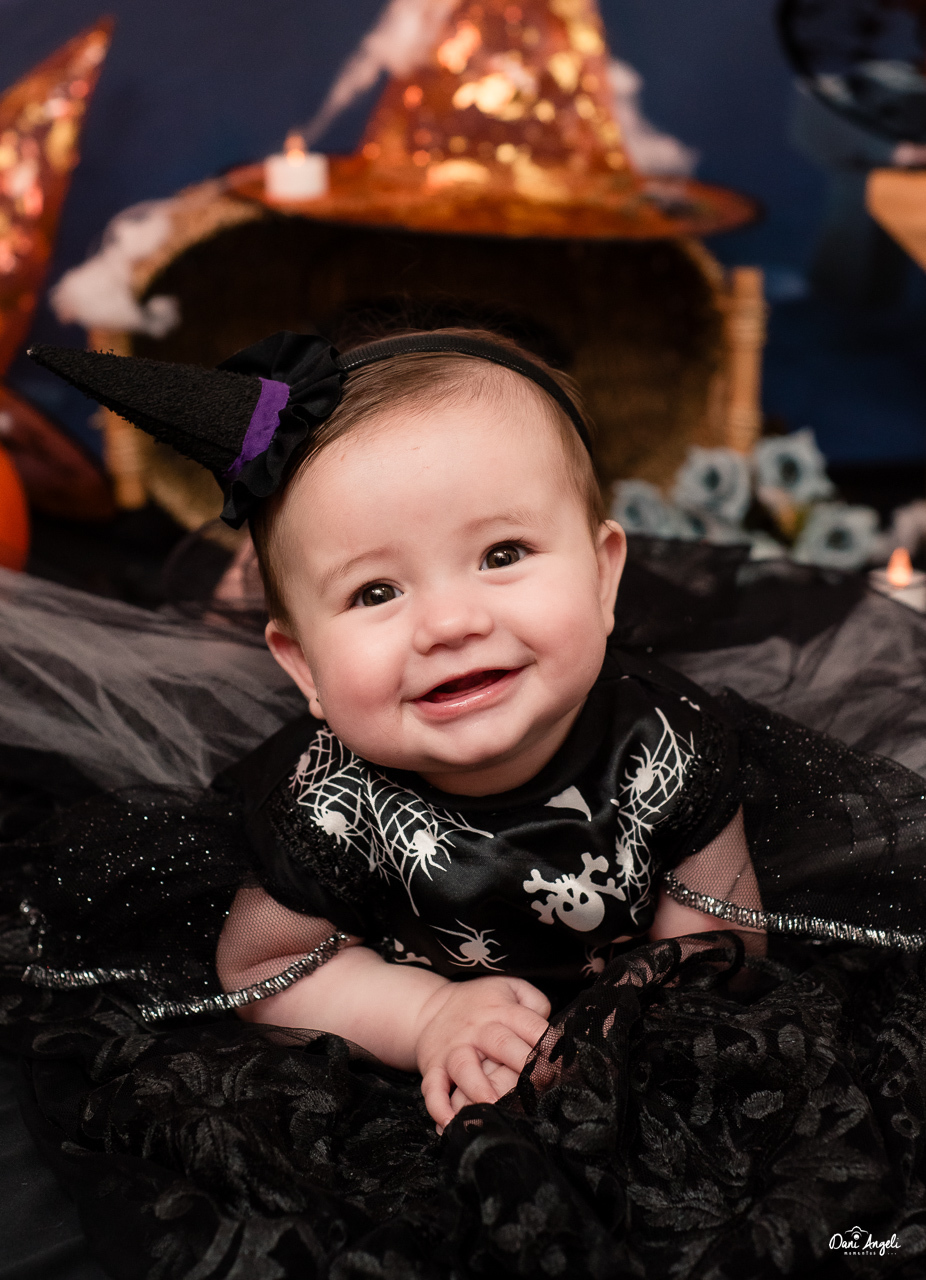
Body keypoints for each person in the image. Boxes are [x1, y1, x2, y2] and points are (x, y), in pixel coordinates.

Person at [4, 327, 926, 1277]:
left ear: (604, 574)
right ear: (303, 666)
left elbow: (722, 932)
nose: (449, 623)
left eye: (502, 553)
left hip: (632, 1026)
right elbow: (265, 968)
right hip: (405, 1054)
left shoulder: (671, 742)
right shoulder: (323, 807)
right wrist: (425, 1018)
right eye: (375, 592)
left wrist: (625, 1032)